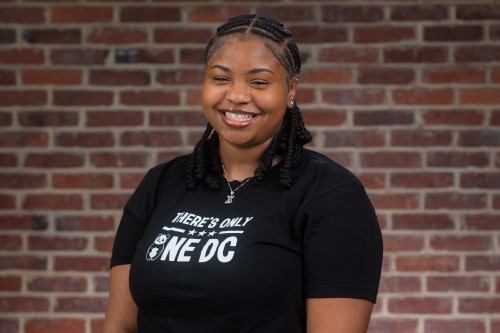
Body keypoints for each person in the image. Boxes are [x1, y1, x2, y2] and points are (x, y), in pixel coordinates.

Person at [103, 14, 383, 333]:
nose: (237, 95)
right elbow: (120, 325)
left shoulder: (330, 194)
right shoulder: (161, 184)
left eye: (259, 81)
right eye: (221, 78)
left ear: (291, 90)